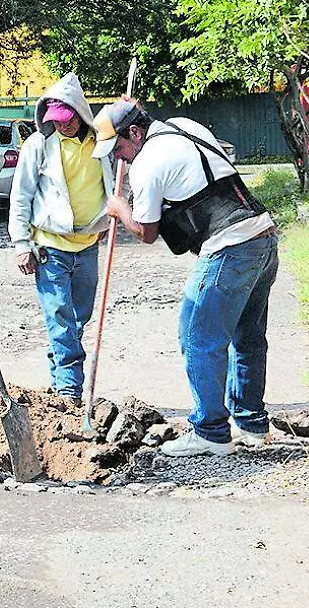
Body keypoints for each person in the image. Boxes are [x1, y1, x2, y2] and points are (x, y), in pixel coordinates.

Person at [93, 100, 277, 457]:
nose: (120, 159)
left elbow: (146, 232)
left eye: (119, 149)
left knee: (197, 336)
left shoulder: (145, 163)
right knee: (248, 337)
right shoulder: (182, 126)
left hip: (230, 247)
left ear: (135, 132)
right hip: (263, 237)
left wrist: (119, 208)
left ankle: (210, 432)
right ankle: (251, 424)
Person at [8, 74, 115, 405]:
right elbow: (21, 196)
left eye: (68, 121)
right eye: (56, 122)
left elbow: (120, 176)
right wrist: (21, 244)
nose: (63, 127)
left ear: (80, 115)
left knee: (77, 320)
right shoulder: (39, 145)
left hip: (88, 245)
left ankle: (59, 384)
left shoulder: (102, 142)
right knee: (59, 318)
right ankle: (71, 393)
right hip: (49, 247)